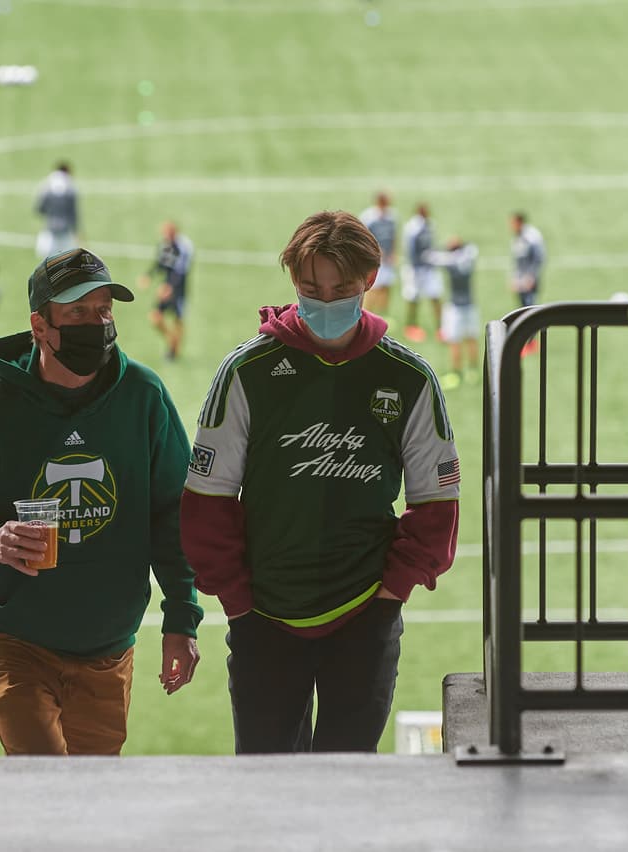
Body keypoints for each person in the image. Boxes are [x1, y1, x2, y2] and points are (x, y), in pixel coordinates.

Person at [180, 210, 460, 754]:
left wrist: (389, 596)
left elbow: (437, 507)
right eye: (311, 288)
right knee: (268, 790)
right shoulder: (247, 372)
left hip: (366, 618)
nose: (325, 302)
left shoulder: (408, 378)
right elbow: (207, 504)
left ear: (369, 283)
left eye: (342, 289)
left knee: (349, 788)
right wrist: (238, 603)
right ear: (292, 282)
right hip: (263, 617)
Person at [0, 247, 203, 756]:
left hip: (107, 644)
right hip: (8, 636)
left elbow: (174, 514)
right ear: (41, 325)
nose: (97, 323)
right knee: (45, 778)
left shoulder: (144, 397)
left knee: (87, 801)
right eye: (77, 312)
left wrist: (181, 619)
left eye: (104, 310)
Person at [424, 238, 481, 390]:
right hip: (470, 305)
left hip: (455, 307)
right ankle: (473, 371)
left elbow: (432, 258)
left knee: (454, 341)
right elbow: (472, 249)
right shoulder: (468, 257)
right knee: (471, 338)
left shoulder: (450, 262)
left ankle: (456, 373)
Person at [137, 220, 194, 361]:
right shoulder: (165, 245)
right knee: (155, 316)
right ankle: (172, 341)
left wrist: (170, 287)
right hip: (167, 286)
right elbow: (161, 263)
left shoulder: (184, 247)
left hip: (179, 288)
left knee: (178, 319)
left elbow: (181, 271)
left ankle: (173, 351)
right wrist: (148, 276)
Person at [401, 203, 444, 343]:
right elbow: (411, 250)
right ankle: (411, 326)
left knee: (435, 296)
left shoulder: (430, 224)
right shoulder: (413, 228)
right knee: (413, 299)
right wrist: (417, 267)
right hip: (416, 269)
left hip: (429, 268)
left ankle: (440, 327)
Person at [508, 211, 547, 356]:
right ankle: (528, 341)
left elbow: (538, 259)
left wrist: (531, 277)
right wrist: (515, 279)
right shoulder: (518, 237)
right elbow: (518, 262)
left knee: (529, 308)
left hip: (529, 281)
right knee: (522, 308)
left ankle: (532, 342)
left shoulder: (532, 237)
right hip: (521, 280)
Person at [358, 192, 399, 321]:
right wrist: (376, 250)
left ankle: (381, 316)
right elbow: (363, 237)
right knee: (373, 287)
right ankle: (366, 313)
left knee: (386, 286)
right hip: (374, 258)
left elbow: (393, 236)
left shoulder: (392, 217)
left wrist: (393, 253)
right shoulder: (369, 217)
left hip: (387, 259)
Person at [34, 161, 79, 258]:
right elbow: (73, 213)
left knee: (48, 261)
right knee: (66, 260)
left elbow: (40, 209)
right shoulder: (70, 187)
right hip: (65, 230)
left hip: (51, 228)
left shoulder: (46, 185)